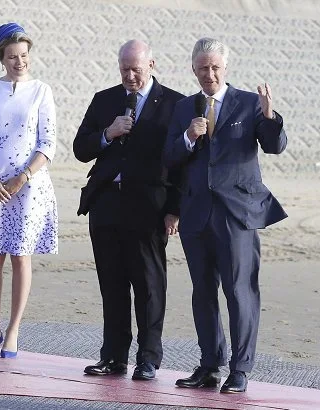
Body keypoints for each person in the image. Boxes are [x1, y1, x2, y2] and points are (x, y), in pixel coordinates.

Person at [163, 37, 288, 393]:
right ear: (194, 70)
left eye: (215, 67)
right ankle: (209, 365)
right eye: (203, 68)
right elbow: (170, 158)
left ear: (226, 68)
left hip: (237, 215)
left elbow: (274, 145)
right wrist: (188, 136)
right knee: (203, 292)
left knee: (238, 291)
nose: (209, 74)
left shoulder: (248, 103)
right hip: (196, 214)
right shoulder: (185, 107)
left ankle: (240, 369)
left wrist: (269, 116)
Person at [74, 40, 184, 381]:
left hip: (149, 207)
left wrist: (174, 210)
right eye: (124, 70)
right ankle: (113, 357)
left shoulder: (175, 104)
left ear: (152, 64)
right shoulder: (104, 99)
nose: (130, 76)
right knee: (112, 283)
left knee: (149, 286)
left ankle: (148, 358)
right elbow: (81, 148)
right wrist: (108, 133)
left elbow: (183, 163)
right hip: (106, 203)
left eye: (136, 69)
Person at [0, 22, 58, 358]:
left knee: (21, 255)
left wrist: (22, 178)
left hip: (28, 186)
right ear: (1, 58)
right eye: (12, 56)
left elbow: (48, 143)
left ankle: (14, 329)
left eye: (24, 55)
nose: (20, 61)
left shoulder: (41, 91)